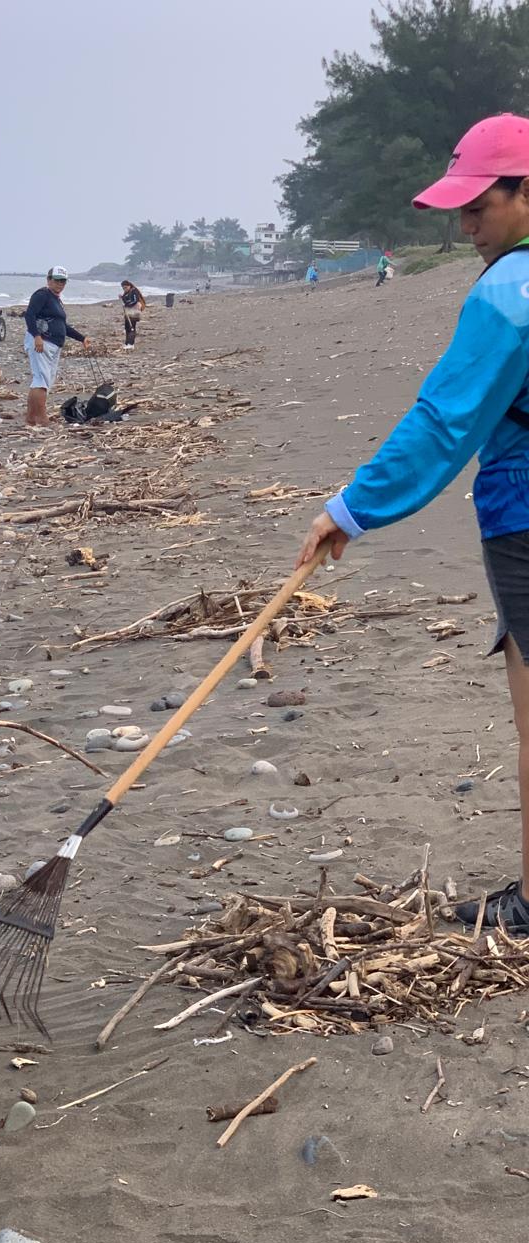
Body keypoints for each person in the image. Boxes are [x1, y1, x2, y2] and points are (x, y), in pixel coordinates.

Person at [296, 112, 529, 934]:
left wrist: (352, 509)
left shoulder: (509, 294)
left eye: (479, 206)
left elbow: (444, 424)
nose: (466, 225)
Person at [23, 266, 90, 427]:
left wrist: (81, 338)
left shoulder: (56, 299)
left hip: (53, 344)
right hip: (42, 342)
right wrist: (37, 336)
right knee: (41, 380)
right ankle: (42, 418)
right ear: (49, 280)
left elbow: (62, 325)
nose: (60, 284)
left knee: (42, 380)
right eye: (57, 280)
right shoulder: (42, 295)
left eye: (63, 281)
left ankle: (31, 418)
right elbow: (29, 315)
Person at [120, 279, 146, 349]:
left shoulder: (134, 291)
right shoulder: (126, 293)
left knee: (131, 327)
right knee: (127, 327)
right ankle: (127, 343)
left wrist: (127, 304)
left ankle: (131, 344)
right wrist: (122, 297)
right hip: (128, 312)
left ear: (129, 286)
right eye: (123, 288)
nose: (125, 289)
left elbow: (135, 301)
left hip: (134, 311)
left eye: (126, 287)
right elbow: (125, 301)